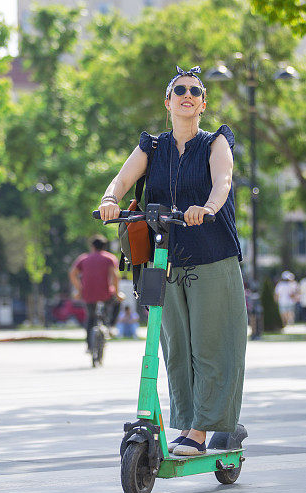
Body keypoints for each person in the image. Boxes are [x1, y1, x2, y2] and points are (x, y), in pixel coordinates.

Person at [98, 65, 247, 456]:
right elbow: (122, 180)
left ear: (201, 104)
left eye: (195, 92)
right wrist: (110, 199)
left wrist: (208, 208)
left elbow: (223, 183)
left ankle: (200, 431)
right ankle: (190, 425)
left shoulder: (216, 143)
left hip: (212, 256)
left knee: (211, 345)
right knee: (175, 347)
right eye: (179, 89)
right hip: (165, 260)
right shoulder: (152, 147)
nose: (187, 95)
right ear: (168, 102)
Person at [69, 235, 122, 352]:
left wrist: (79, 290)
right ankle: (111, 326)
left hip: (88, 294)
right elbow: (115, 276)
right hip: (106, 293)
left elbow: (73, 273)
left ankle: (89, 346)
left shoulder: (83, 259)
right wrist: (117, 293)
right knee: (117, 303)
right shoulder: (110, 258)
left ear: (92, 246)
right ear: (105, 246)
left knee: (90, 318)